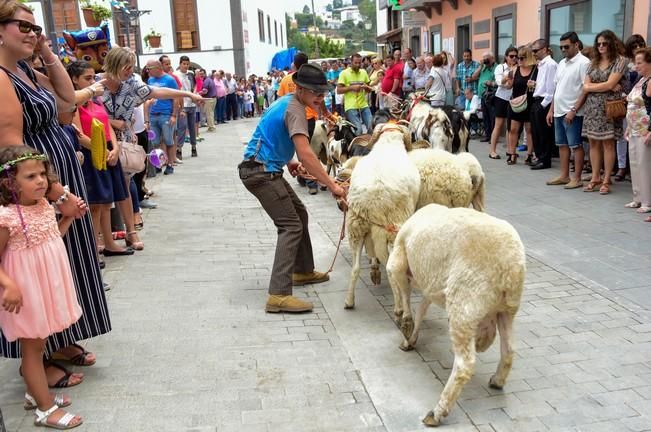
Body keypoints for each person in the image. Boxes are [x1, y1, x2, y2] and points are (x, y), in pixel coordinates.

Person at [0, 0, 108, 388]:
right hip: (33, 187)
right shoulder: (1, 77)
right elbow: (11, 146)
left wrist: (44, 50)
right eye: (22, 26)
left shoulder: (25, 69)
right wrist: (55, 190)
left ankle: (58, 341)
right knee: (33, 272)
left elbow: (66, 103)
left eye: (35, 27)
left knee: (60, 267)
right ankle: (34, 360)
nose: (31, 32)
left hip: (51, 177)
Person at [238, 64, 346, 313]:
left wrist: (288, 161)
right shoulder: (296, 110)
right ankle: (278, 294)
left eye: (323, 93)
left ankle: (303, 271)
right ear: (301, 89)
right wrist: (332, 185)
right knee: (290, 225)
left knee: (299, 214)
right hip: (260, 173)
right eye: (316, 94)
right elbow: (307, 154)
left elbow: (269, 133)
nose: (321, 98)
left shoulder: (289, 102)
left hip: (264, 168)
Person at [0, 146, 84, 429]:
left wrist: (68, 217)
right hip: (26, 289)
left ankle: (35, 394)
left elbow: (52, 238)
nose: (40, 181)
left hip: (47, 282)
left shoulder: (44, 206)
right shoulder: (7, 217)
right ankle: (46, 410)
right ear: (10, 183)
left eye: (42, 175)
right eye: (30, 176)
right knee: (33, 347)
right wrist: (8, 284)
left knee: (42, 340)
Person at [67, 61, 137, 259]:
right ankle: (93, 247)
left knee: (106, 203)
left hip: (105, 150)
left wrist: (113, 148)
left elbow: (107, 127)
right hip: (90, 154)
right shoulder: (75, 104)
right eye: (87, 79)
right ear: (74, 79)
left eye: (93, 77)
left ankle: (109, 242)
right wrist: (102, 151)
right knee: (95, 204)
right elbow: (78, 134)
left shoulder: (97, 100)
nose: (93, 82)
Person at [582, 30, 626, 193]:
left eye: (604, 43)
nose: (601, 46)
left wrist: (594, 86)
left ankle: (607, 179)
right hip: (592, 108)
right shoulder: (593, 61)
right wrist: (604, 85)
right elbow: (585, 86)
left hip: (609, 107)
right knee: (593, 142)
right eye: (598, 43)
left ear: (611, 43)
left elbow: (608, 85)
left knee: (608, 143)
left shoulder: (620, 61)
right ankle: (595, 177)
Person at [545, 31, 591, 188]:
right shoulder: (562, 63)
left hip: (573, 111)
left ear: (576, 45)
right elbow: (557, 88)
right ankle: (564, 176)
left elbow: (585, 89)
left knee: (575, 145)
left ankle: (576, 178)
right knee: (562, 145)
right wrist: (551, 110)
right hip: (558, 110)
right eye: (561, 47)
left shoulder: (584, 63)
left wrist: (574, 109)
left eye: (566, 47)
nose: (563, 50)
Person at [277, 52, 321, 195]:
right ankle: (307, 179)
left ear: (294, 65)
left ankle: (309, 181)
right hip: (309, 118)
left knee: (301, 150)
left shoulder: (285, 80)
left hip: (292, 119)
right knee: (306, 148)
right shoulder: (311, 80)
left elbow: (279, 101)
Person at [624, 47, 651, 220]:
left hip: (644, 127)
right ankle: (638, 197)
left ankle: (647, 201)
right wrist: (628, 126)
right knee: (634, 161)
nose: (636, 65)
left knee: (644, 164)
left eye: (640, 62)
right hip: (634, 126)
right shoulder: (641, 80)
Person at [530, 39, 558, 170]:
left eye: (536, 50)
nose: (534, 53)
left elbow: (551, 87)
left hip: (543, 101)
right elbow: (542, 84)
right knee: (536, 131)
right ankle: (540, 157)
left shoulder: (550, 64)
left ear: (544, 50)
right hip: (537, 100)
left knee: (543, 133)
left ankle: (545, 159)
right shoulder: (541, 64)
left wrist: (543, 104)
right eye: (533, 51)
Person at [508, 45, 538, 166]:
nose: (519, 60)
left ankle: (529, 155)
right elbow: (509, 85)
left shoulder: (536, 69)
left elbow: (541, 86)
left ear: (529, 57)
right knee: (513, 129)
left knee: (529, 130)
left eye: (522, 58)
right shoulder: (515, 69)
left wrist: (535, 84)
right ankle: (512, 153)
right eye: (518, 58)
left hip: (530, 103)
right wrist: (507, 77)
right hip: (517, 103)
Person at [490, 47, 517, 160]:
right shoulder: (500, 68)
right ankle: (492, 151)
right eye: (511, 56)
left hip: (513, 99)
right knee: (499, 124)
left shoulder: (518, 67)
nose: (514, 58)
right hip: (501, 98)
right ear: (506, 57)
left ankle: (510, 150)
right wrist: (508, 76)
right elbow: (499, 82)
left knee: (511, 126)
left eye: (516, 56)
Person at [337, 53, 373, 136]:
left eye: (359, 63)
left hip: (363, 105)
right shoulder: (344, 73)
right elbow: (338, 90)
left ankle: (369, 145)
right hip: (351, 106)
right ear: (351, 62)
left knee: (371, 127)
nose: (358, 65)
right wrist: (351, 88)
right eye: (355, 63)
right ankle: (356, 147)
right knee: (359, 130)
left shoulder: (363, 72)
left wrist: (366, 87)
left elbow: (369, 90)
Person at [174, 55, 198, 158]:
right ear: (180, 64)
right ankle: (179, 148)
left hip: (192, 104)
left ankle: (194, 147)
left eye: (187, 64)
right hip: (182, 104)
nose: (186, 66)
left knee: (192, 127)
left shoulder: (191, 74)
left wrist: (195, 94)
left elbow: (195, 85)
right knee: (182, 127)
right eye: (184, 64)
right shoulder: (176, 75)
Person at [478, 52, 497, 142]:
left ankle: (493, 137)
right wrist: (481, 66)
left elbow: (498, 80)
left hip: (491, 95)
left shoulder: (496, 67)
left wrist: (490, 83)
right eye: (484, 58)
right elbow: (474, 76)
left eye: (487, 58)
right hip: (483, 95)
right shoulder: (483, 67)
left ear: (492, 59)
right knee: (485, 116)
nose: (485, 60)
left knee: (492, 116)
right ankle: (487, 135)